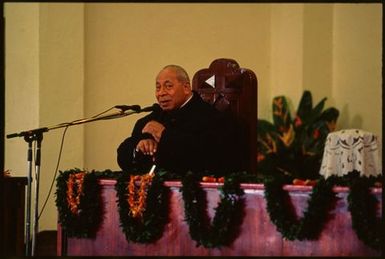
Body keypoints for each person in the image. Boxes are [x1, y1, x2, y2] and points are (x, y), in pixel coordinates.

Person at [117, 65, 246, 176]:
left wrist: (164, 135)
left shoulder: (211, 118)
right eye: (158, 87)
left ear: (186, 88)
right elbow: (123, 154)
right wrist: (138, 148)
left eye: (168, 86)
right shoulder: (151, 119)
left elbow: (206, 157)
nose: (161, 93)